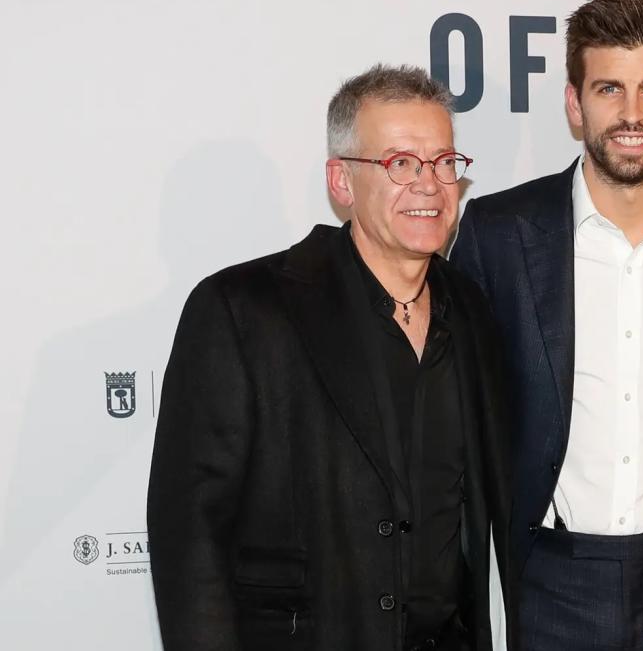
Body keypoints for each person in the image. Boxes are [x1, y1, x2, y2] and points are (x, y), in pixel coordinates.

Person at [148, 64, 512, 651]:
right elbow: (189, 534)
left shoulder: (470, 309)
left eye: (445, 163)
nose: (430, 185)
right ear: (342, 182)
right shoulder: (244, 311)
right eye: (400, 164)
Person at [452, 0, 643, 650]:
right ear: (574, 105)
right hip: (549, 576)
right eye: (609, 89)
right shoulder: (499, 233)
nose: (632, 113)